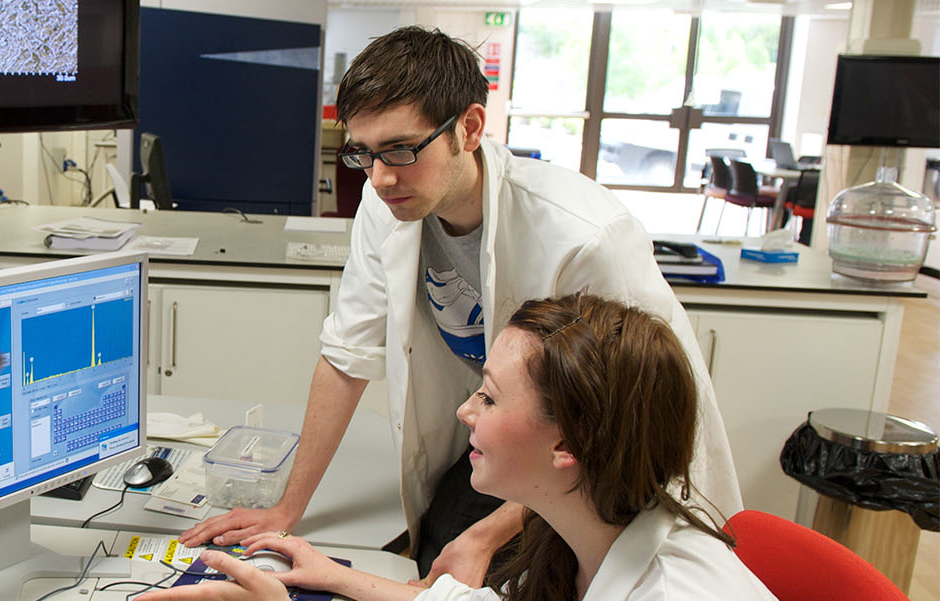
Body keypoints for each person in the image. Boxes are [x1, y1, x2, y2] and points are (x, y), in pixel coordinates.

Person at [178, 26, 742, 586]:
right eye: (363, 154)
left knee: (508, 567)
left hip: (603, 464)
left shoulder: (585, 236)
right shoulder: (390, 206)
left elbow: (622, 424)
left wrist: (487, 533)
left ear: (468, 128)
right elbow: (346, 353)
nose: (380, 178)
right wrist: (285, 509)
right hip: (515, 439)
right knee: (440, 551)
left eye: (400, 149)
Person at [147, 294, 777, 601]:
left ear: (570, 444)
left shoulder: (677, 595)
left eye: (493, 399)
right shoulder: (578, 532)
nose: (465, 411)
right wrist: (333, 577)